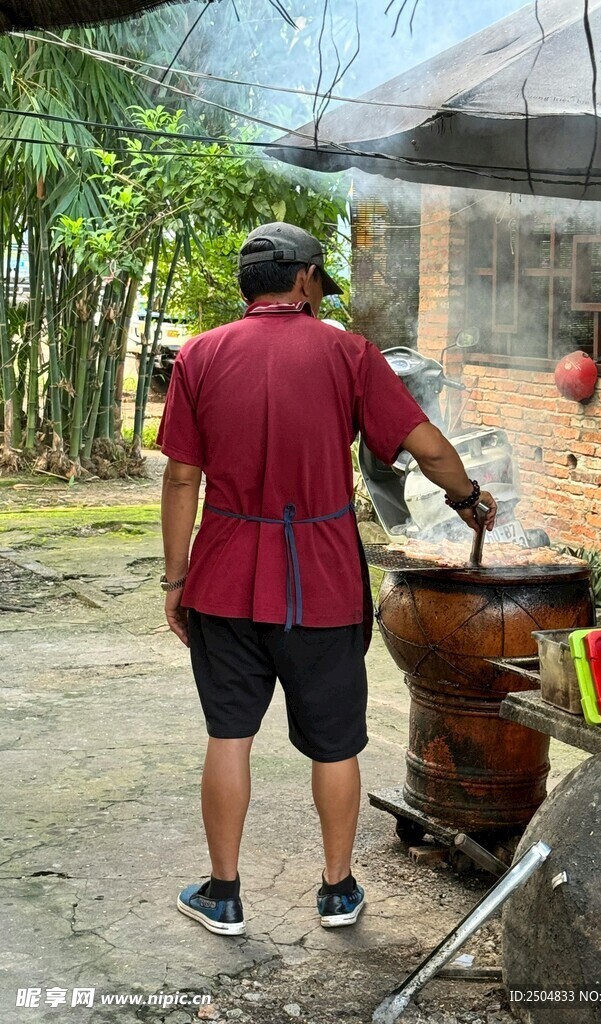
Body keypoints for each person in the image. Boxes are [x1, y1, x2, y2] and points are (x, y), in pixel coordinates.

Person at [157, 222, 497, 937]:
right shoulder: (347, 352)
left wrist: (175, 579)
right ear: (306, 279)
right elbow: (427, 447)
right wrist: (468, 501)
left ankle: (223, 895)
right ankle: (337, 892)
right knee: (335, 744)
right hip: (323, 578)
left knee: (228, 736)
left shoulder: (200, 355)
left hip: (222, 576)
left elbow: (183, 478)